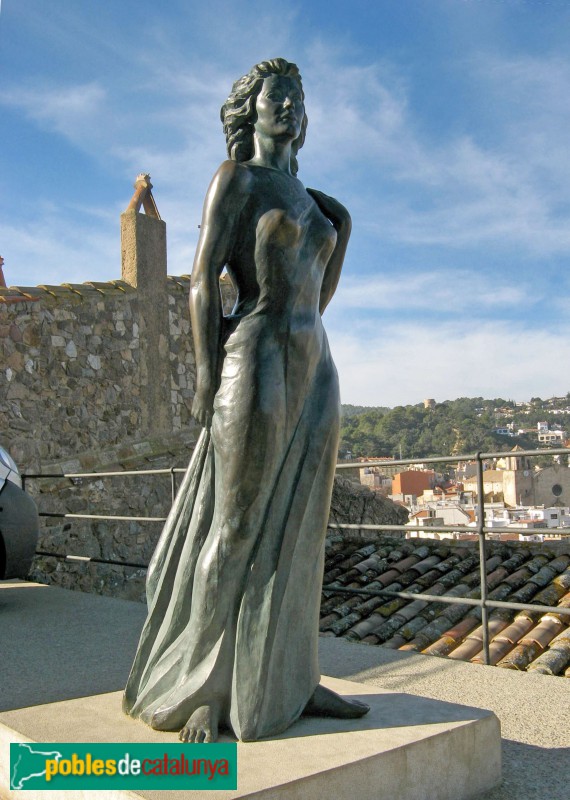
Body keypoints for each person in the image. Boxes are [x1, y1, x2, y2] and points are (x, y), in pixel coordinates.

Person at [123, 58, 368, 743]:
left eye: (296, 94)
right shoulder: (234, 180)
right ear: (250, 109)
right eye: (274, 94)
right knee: (232, 529)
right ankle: (200, 686)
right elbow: (203, 281)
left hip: (315, 365)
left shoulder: (316, 204)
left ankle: (289, 677)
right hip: (254, 356)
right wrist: (203, 376)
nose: (288, 103)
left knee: (302, 531)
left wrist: (340, 229)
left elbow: (318, 299)